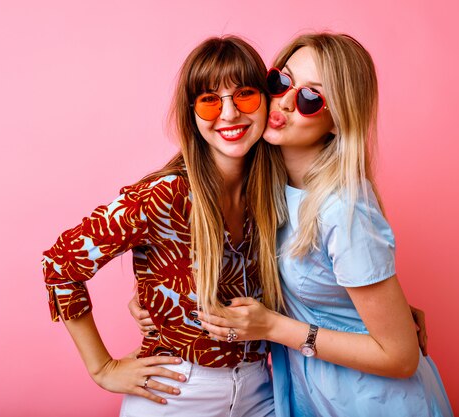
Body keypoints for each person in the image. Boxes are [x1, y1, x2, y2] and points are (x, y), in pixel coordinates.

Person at [192, 33, 454, 416]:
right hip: (313, 397)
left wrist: (273, 327)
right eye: (280, 81)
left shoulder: (344, 209)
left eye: (310, 98)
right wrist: (151, 295)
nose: (284, 101)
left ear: (338, 120)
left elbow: (401, 357)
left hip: (375, 404)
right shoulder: (266, 186)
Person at [42, 36, 284, 417]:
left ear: (266, 102)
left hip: (261, 389)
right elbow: (60, 263)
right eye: (209, 100)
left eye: (245, 95)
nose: (230, 114)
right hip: (178, 393)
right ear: (192, 113)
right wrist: (102, 368)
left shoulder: (274, 192)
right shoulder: (166, 194)